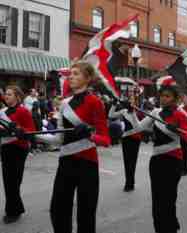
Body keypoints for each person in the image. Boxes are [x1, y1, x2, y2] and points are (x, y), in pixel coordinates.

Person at [36, 61, 111, 233]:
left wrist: (89, 135)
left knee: (86, 214)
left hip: (88, 164)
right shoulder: (64, 103)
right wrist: (32, 134)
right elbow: (58, 139)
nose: (71, 76)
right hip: (66, 163)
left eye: (76, 73)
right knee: (58, 211)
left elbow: (106, 140)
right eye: (71, 73)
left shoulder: (96, 102)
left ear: (88, 78)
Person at [138, 84, 187, 233]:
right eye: (162, 95)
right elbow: (138, 127)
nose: (163, 98)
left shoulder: (180, 115)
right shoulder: (155, 112)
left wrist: (178, 130)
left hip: (173, 161)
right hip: (156, 161)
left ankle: (170, 227)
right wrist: (128, 111)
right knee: (156, 200)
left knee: (168, 199)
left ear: (174, 99)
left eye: (167, 96)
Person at [0, 85, 35, 224]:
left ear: (17, 97)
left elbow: (31, 132)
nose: (6, 96)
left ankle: (13, 211)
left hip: (19, 149)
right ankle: (15, 208)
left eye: (9, 94)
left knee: (14, 181)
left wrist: (19, 130)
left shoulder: (23, 111)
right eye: (6, 94)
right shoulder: (2, 111)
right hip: (5, 148)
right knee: (8, 181)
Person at [109, 94, 142, 191]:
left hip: (135, 138)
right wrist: (114, 104)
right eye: (129, 99)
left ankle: (130, 183)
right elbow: (110, 115)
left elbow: (137, 127)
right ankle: (128, 182)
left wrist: (133, 113)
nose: (131, 101)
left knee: (132, 162)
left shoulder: (137, 111)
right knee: (127, 162)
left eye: (132, 100)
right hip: (126, 138)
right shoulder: (123, 111)